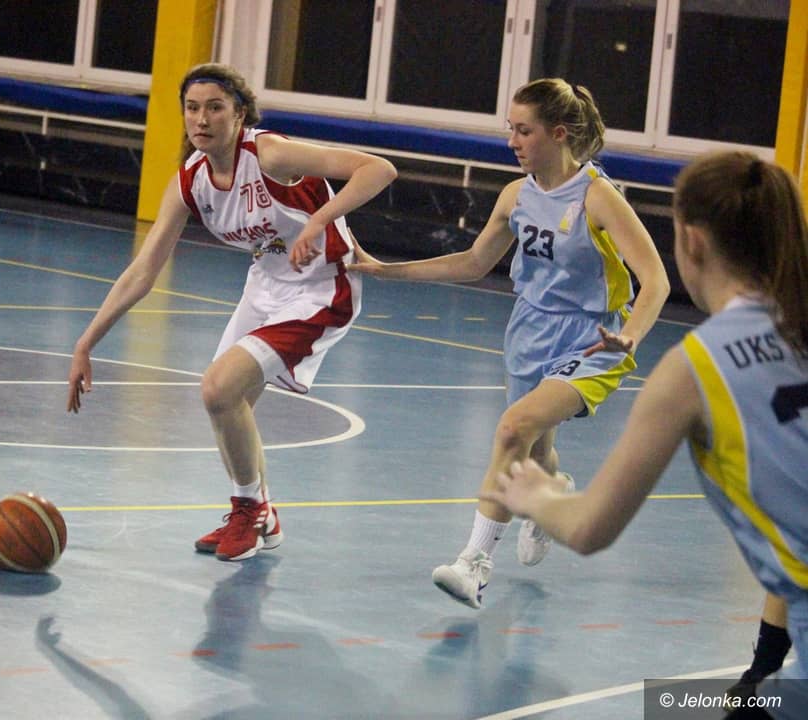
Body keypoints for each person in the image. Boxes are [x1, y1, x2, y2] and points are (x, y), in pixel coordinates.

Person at [484, 151, 808, 718]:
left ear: (692, 242)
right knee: (700, 704)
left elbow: (589, 529)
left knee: (677, 705)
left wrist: (536, 495)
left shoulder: (695, 370)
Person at [347, 78, 669, 608]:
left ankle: (473, 563)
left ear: (558, 133)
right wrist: (389, 270)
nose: (512, 142)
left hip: (593, 340)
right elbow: (474, 263)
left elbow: (656, 280)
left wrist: (629, 336)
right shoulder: (515, 195)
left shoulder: (597, 197)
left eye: (524, 131)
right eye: (510, 130)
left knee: (514, 427)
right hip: (529, 331)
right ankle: (548, 497)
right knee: (533, 450)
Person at [66, 63, 397, 561]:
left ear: (240, 114)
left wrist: (319, 222)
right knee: (224, 404)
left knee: (219, 388)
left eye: (215, 108)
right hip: (265, 286)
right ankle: (260, 513)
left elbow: (379, 170)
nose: (201, 119)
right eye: (192, 108)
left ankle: (249, 512)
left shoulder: (269, 154)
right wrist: (85, 342)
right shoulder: (191, 181)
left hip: (321, 289)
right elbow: (143, 271)